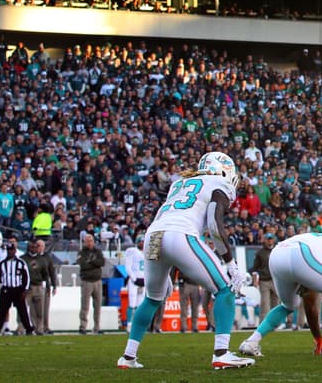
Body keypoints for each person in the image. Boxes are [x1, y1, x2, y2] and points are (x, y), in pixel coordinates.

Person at [115, 151, 254, 370]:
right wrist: (230, 263)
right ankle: (221, 353)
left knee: (152, 298)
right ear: (222, 169)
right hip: (180, 234)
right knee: (226, 288)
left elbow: (160, 218)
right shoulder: (219, 183)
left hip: (153, 236)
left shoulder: (180, 183)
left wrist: (162, 268)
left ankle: (128, 356)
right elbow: (214, 226)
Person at [237, 229, 322, 357]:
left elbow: (309, 302)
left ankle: (251, 342)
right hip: (302, 253)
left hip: (278, 254)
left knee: (288, 305)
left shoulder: (320, 242)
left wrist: (318, 338)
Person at [0, 238, 34, 336]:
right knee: (1, 310)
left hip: (18, 289)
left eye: (12, 250)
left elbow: (26, 277)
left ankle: (29, 329)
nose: (10, 252)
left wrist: (25, 290)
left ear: (15, 251)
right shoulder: (2, 263)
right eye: (8, 250)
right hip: (6, 289)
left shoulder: (21, 263)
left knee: (22, 311)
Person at [26, 239, 57, 335]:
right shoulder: (26, 258)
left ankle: (45, 326)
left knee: (44, 308)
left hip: (42, 285)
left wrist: (53, 285)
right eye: (36, 245)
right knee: (32, 308)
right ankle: (36, 327)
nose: (37, 247)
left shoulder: (46, 258)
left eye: (39, 245)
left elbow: (50, 272)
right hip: (30, 286)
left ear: (43, 247)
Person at [77, 232, 105, 334]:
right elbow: (83, 265)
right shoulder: (81, 252)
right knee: (85, 305)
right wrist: (94, 262)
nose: (89, 243)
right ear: (84, 242)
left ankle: (97, 326)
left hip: (97, 281)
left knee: (97, 306)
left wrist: (91, 261)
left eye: (91, 241)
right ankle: (83, 326)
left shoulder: (98, 251)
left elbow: (101, 262)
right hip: (86, 281)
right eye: (87, 241)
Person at [251, 233, 278, 319]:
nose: (269, 241)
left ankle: (275, 323)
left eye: (271, 239)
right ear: (265, 240)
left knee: (276, 303)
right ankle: (263, 323)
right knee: (265, 303)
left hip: (276, 280)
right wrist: (255, 281)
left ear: (273, 240)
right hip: (264, 280)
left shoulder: (278, 250)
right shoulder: (260, 253)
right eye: (268, 239)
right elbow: (255, 268)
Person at [122, 237, 147, 327]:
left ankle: (137, 324)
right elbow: (128, 267)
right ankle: (129, 324)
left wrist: (146, 279)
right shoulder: (132, 251)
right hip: (134, 281)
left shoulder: (147, 252)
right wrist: (134, 279)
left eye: (143, 242)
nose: (142, 243)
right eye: (140, 242)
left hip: (143, 281)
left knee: (139, 305)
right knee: (132, 303)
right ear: (137, 242)